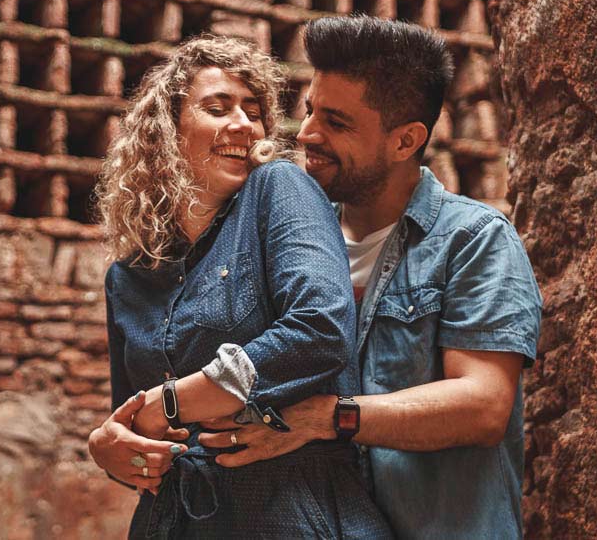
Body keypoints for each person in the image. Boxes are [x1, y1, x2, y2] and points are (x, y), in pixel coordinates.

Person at [197, 16, 542, 539]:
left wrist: (329, 418)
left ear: (406, 141)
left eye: (336, 123)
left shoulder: (474, 240)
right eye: (310, 111)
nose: (307, 134)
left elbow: (484, 405)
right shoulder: (289, 245)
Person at [87, 36, 392, 538]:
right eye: (217, 108)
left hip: (289, 512)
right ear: (166, 130)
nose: (244, 125)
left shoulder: (279, 187)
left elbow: (320, 330)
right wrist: (109, 448)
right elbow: (136, 428)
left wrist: (171, 402)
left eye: (254, 112)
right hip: (172, 522)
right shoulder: (128, 276)